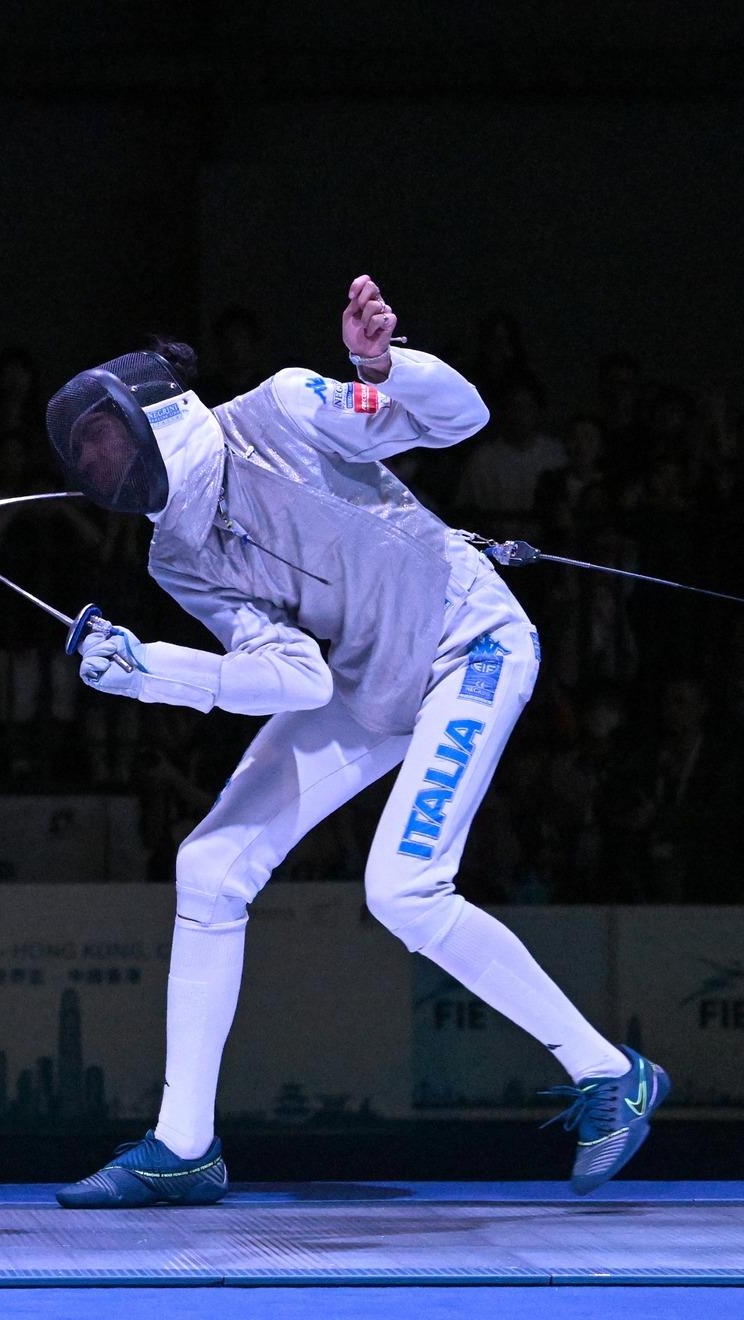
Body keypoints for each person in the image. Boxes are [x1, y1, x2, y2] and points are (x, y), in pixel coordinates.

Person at [45, 276, 666, 1208]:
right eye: (89, 454)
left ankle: (610, 1071)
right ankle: (185, 1145)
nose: (101, 465)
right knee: (212, 867)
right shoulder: (174, 554)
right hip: (364, 686)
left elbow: (462, 417)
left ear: (156, 418)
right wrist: (149, 673)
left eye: (107, 441)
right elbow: (293, 675)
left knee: (405, 889)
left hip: (468, 646)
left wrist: (385, 365)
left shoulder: (289, 408)